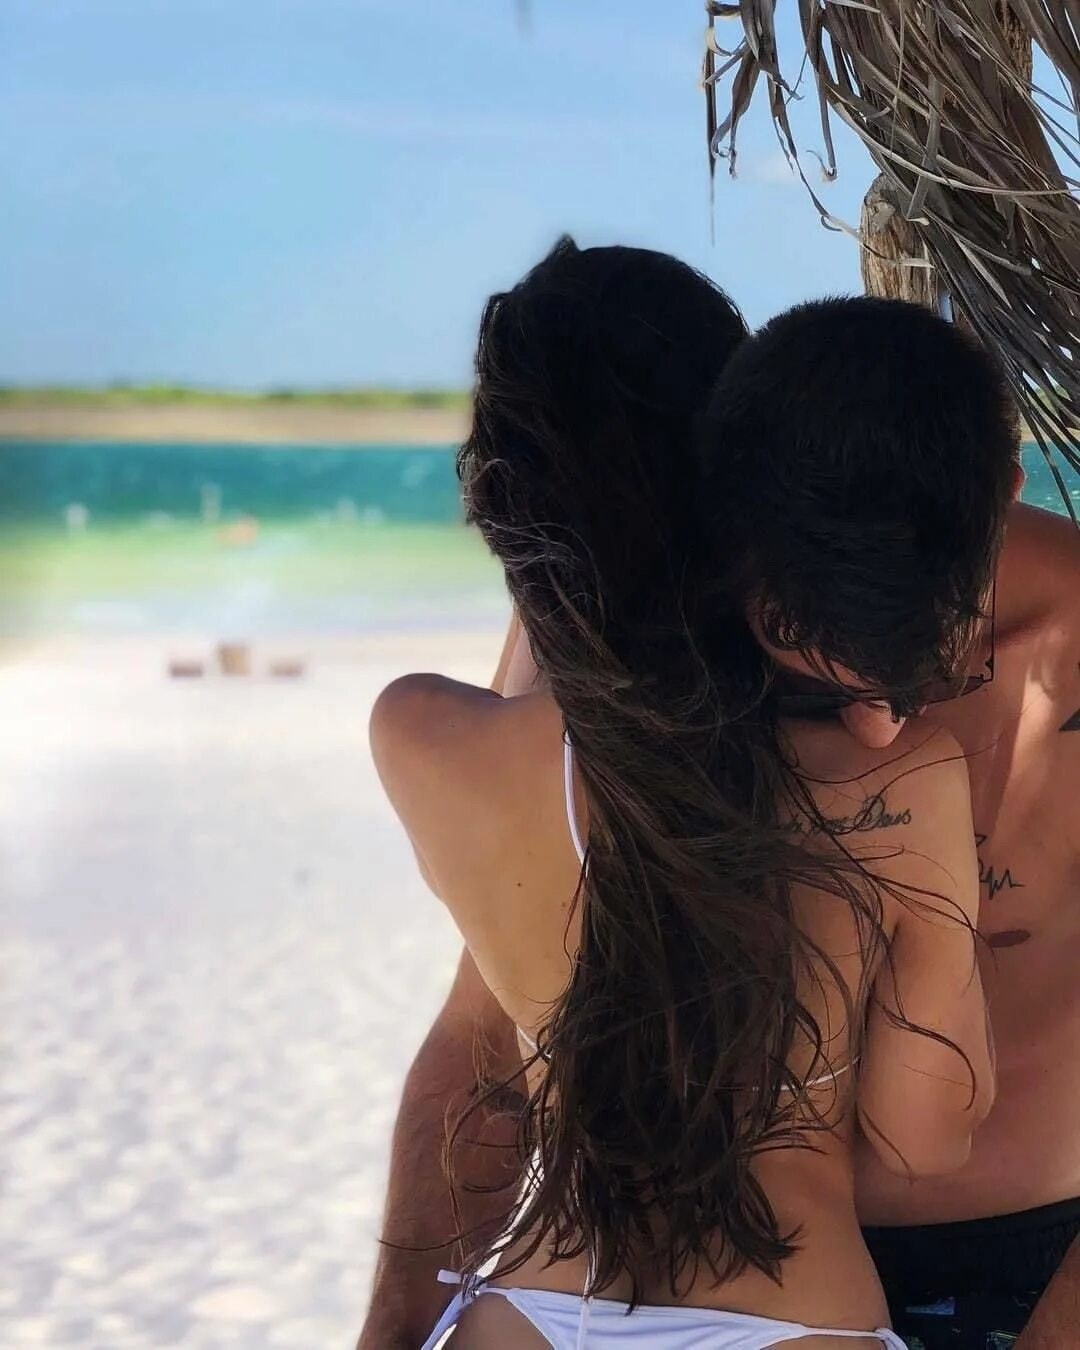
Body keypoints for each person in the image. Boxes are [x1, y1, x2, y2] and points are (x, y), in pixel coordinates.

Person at [366, 241, 996, 1348]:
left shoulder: (425, 738)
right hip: (791, 1313)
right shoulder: (890, 773)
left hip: (528, 1310)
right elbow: (924, 1138)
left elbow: (491, 1042)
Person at [699, 299, 1080, 1349]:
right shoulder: (658, 634)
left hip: (1040, 1274)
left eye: (905, 655)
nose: (874, 727)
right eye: (809, 660)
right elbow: (486, 1025)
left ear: (1002, 504)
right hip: (727, 1281)